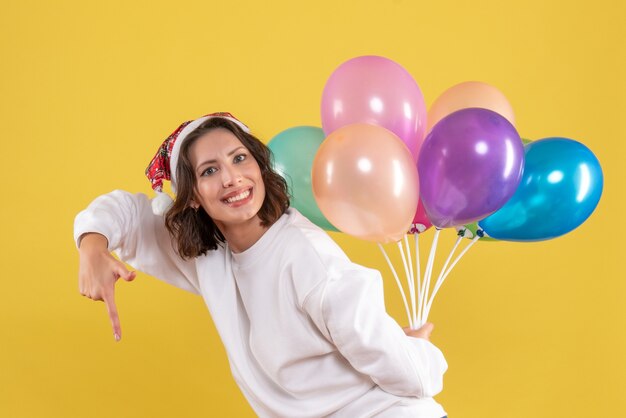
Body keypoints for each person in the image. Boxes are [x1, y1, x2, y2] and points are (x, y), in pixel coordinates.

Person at [74, 112, 448, 418]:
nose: (232, 177)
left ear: (259, 165)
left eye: (240, 158)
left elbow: (412, 377)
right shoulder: (210, 254)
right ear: (191, 198)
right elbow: (124, 211)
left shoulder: (307, 257)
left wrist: (417, 354)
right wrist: (92, 246)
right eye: (209, 171)